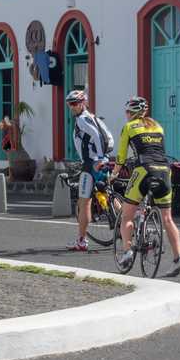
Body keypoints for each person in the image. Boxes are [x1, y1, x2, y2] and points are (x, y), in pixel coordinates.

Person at [111, 96, 180, 277]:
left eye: (127, 112)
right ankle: (178, 259)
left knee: (127, 216)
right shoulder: (158, 126)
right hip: (164, 170)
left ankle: (128, 252)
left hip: (143, 170)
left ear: (132, 113)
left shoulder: (129, 127)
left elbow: (121, 156)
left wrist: (114, 174)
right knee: (167, 219)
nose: (126, 115)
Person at [64, 90, 110, 252]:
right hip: (103, 161)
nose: (72, 107)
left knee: (84, 203)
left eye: (75, 103)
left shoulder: (82, 120)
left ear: (83, 103)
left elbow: (97, 136)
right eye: (70, 104)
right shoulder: (94, 117)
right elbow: (109, 138)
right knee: (107, 194)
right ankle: (126, 224)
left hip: (91, 165)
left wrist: (97, 157)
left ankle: (81, 241)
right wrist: (103, 157)